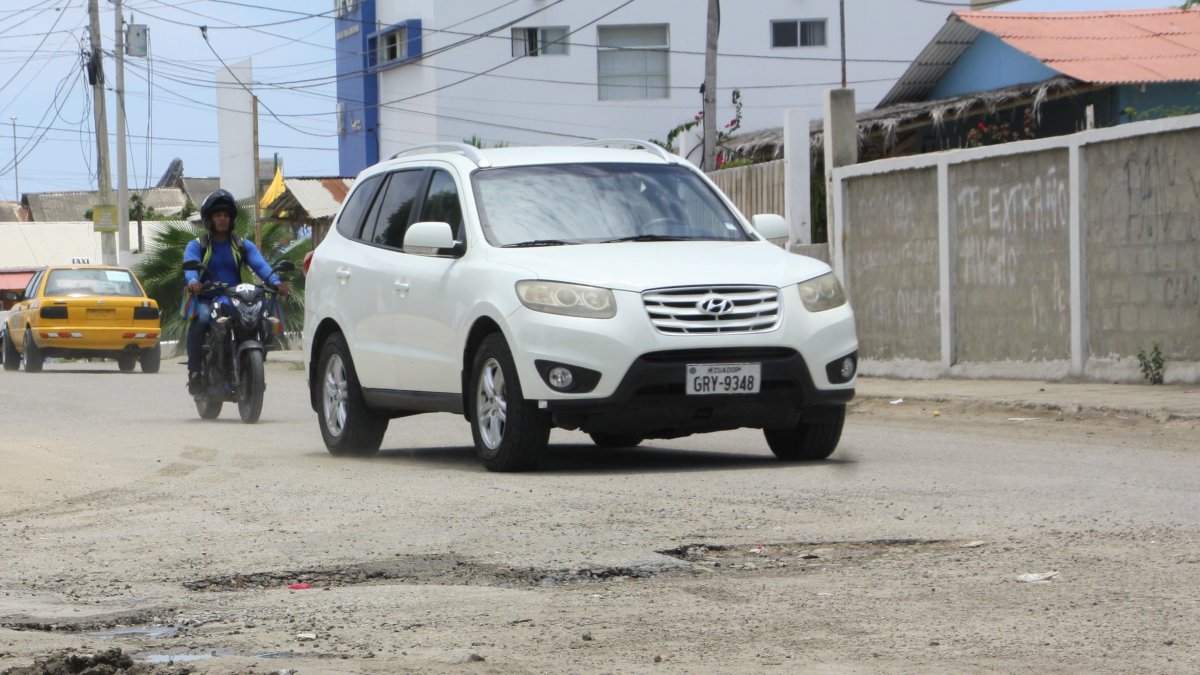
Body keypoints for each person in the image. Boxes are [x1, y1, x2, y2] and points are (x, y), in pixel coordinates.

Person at [183, 189, 288, 395]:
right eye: (217, 215)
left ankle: (253, 362)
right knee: (200, 321)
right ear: (209, 219)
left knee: (264, 313)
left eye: (226, 215)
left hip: (235, 299)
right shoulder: (198, 245)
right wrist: (194, 281)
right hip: (208, 299)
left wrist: (276, 282)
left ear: (231, 219)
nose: (222, 219)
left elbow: (261, 266)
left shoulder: (242, 245)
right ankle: (195, 372)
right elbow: (190, 268)